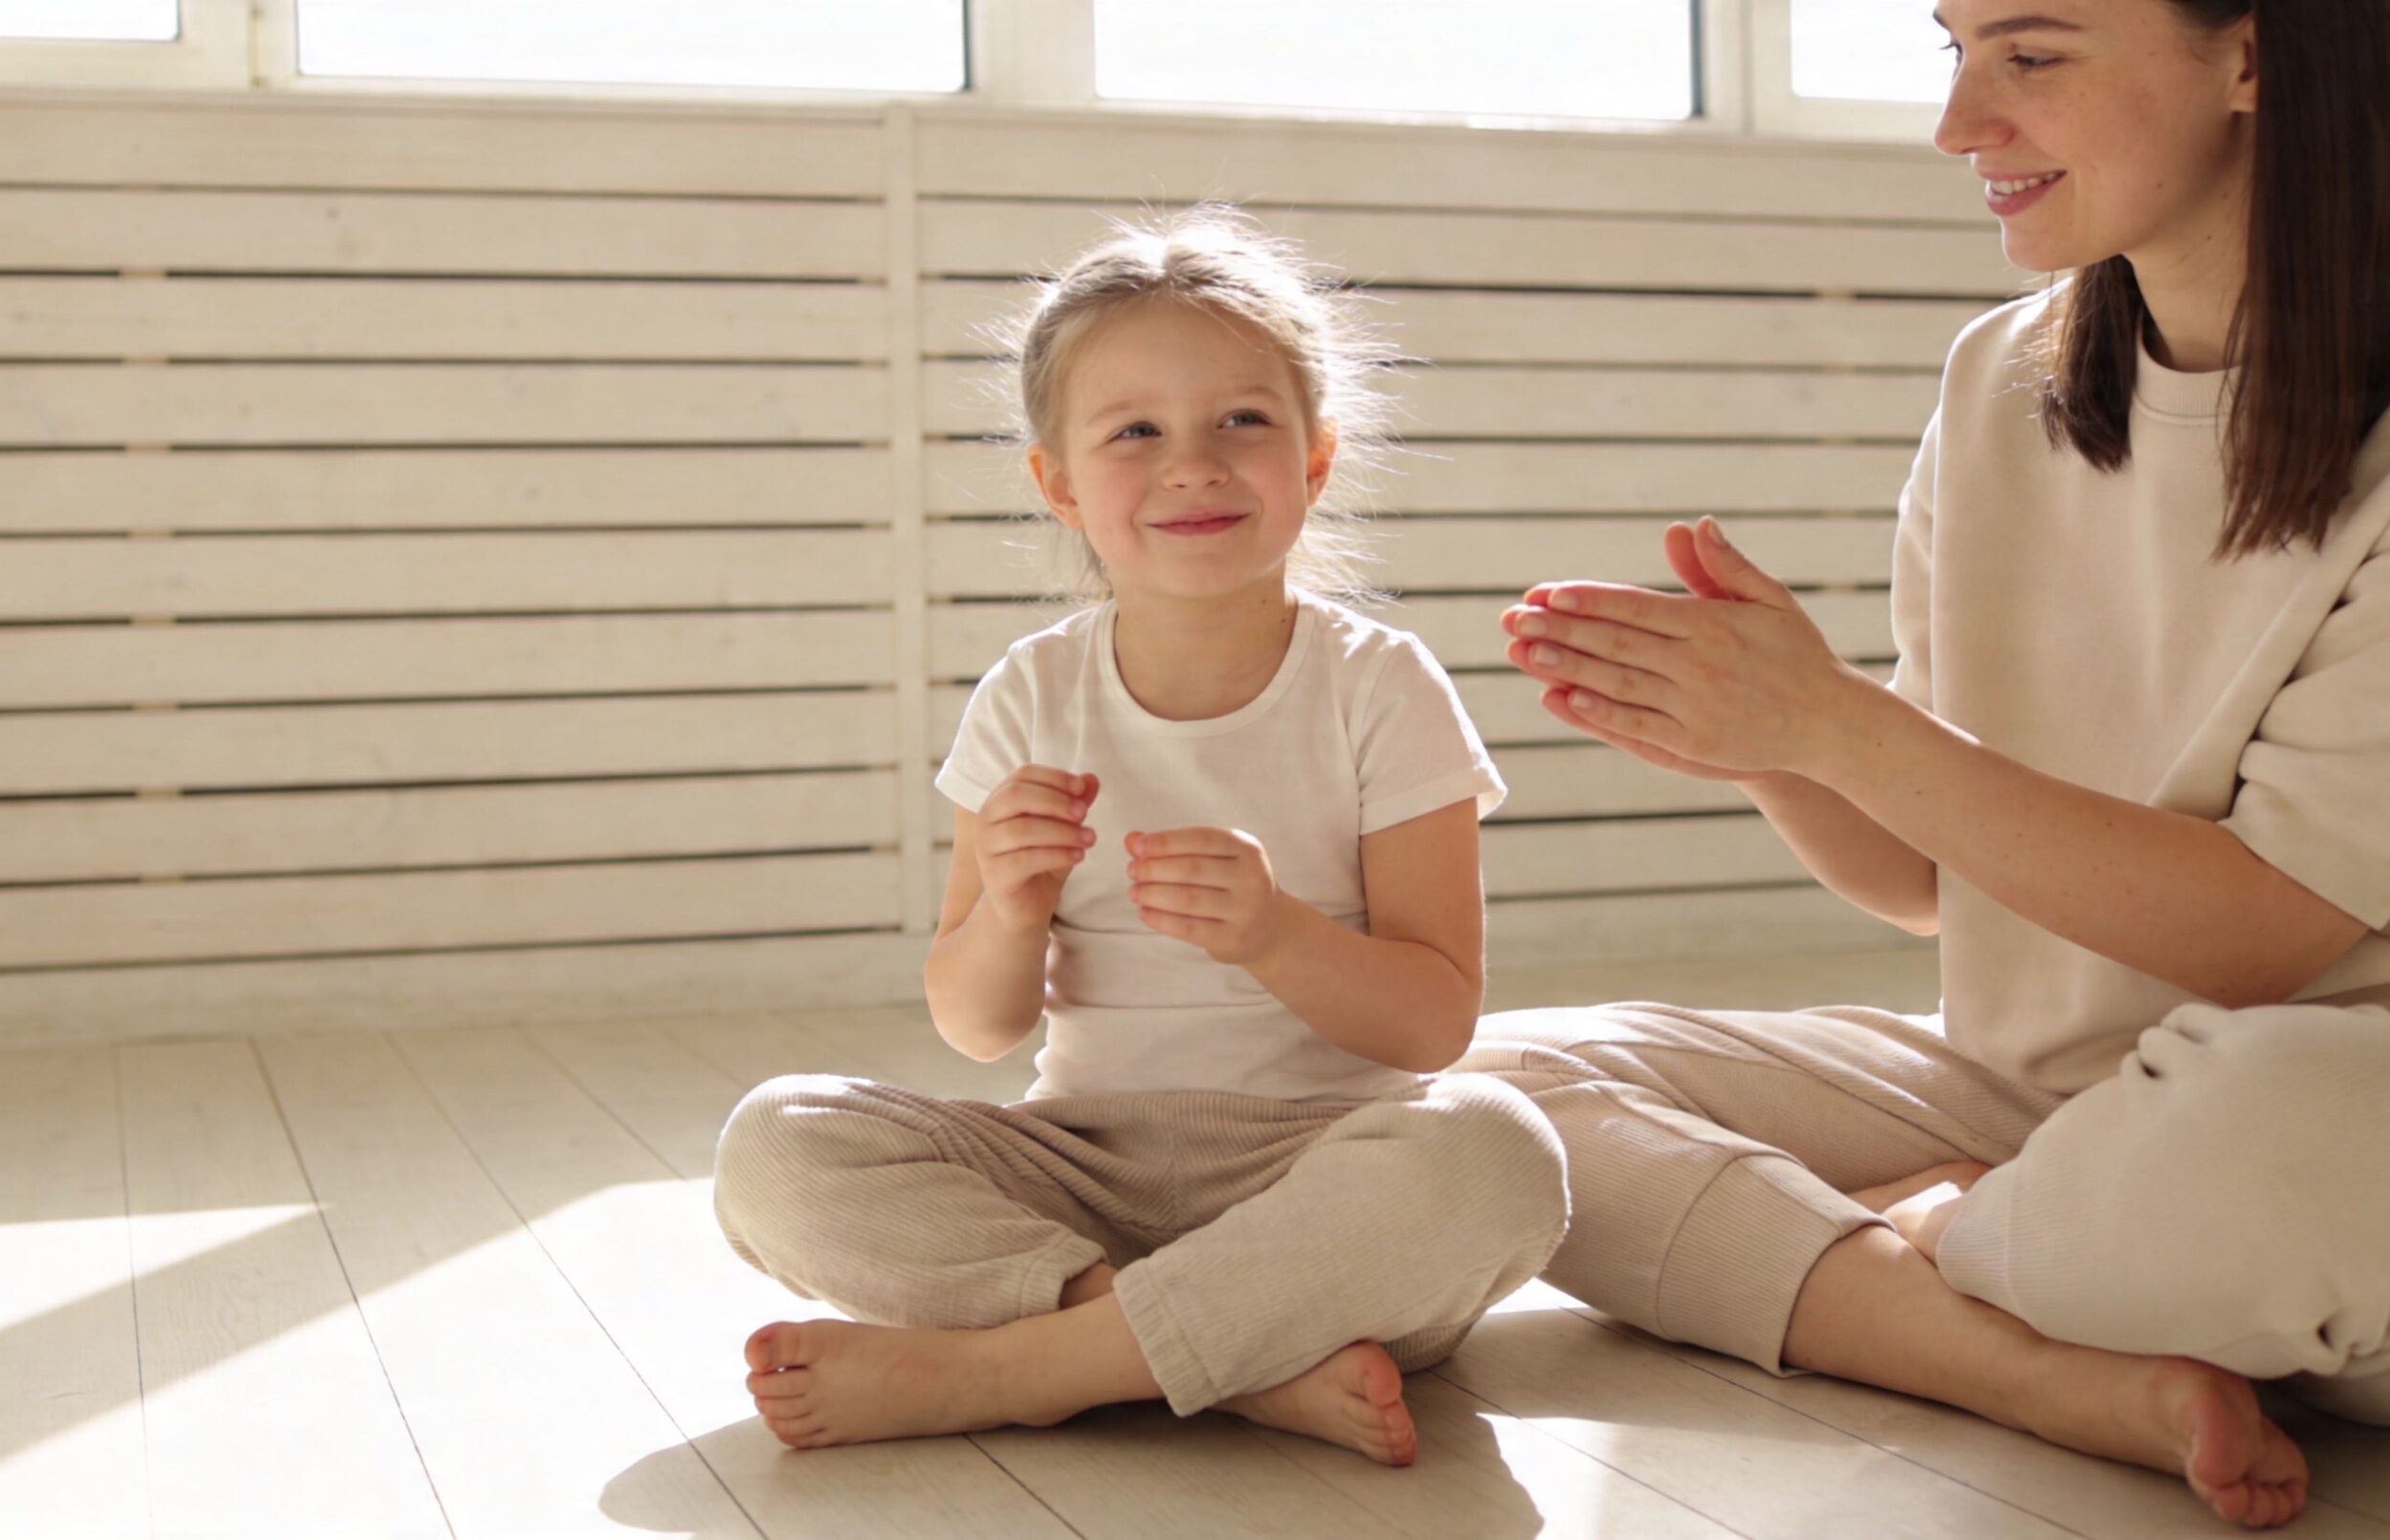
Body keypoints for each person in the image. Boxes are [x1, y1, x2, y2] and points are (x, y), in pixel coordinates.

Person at [1461, 0, 2390, 1526]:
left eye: (2031, 56)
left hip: (2306, 1106)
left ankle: (1931, 1248)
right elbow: (1920, 886)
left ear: (2254, 55)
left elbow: (2266, 935)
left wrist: (1839, 727)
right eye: (1948, 51)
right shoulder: (2001, 381)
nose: (1962, 126)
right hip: (2035, 1103)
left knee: (2274, 1143)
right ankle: (2035, 1354)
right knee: (1492, 1090)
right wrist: (1767, 738)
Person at [709, 210, 1568, 1465]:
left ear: (1317, 460)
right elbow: (978, 1025)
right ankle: (1225, 1362)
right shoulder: (1031, 692)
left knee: (1497, 1153)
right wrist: (1008, 910)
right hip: (1079, 1172)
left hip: (1317, 1174)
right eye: (1135, 434)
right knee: (777, 1143)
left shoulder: (1381, 685)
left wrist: (1277, 938)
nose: (1193, 465)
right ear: (1057, 480)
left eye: (1243, 422)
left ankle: (1009, 1372)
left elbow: (1434, 1024)